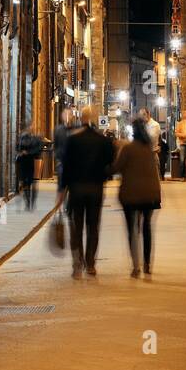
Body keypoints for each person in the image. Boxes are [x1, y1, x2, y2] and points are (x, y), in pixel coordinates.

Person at [58, 105, 115, 278]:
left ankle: (77, 263)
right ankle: (90, 264)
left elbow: (66, 167)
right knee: (93, 226)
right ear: (94, 118)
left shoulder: (72, 139)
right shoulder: (102, 140)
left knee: (77, 226)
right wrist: (103, 177)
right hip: (95, 189)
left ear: (80, 118)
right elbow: (110, 163)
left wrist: (62, 191)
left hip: (76, 189)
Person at [113, 117, 162, 277]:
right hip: (150, 194)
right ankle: (147, 264)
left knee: (132, 230)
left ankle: (136, 266)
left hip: (131, 194)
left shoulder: (128, 149)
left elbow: (117, 167)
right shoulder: (149, 149)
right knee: (146, 227)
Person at [15, 125, 44, 211]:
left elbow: (37, 149)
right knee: (26, 183)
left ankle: (31, 202)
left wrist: (26, 152)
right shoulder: (22, 139)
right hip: (24, 164)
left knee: (30, 183)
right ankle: (28, 203)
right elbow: (18, 148)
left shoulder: (34, 139)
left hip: (31, 163)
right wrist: (21, 153)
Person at [52, 108, 76, 185]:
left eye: (69, 114)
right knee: (61, 186)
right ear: (62, 116)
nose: (67, 116)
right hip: (61, 162)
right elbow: (56, 144)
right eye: (65, 114)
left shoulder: (77, 129)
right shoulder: (58, 129)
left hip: (74, 163)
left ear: (72, 116)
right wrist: (57, 159)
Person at [139, 108, 163, 178]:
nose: (142, 116)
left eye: (144, 114)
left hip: (152, 153)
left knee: (154, 177)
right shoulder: (142, 125)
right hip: (143, 154)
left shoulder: (155, 125)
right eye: (141, 115)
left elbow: (152, 138)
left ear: (148, 114)